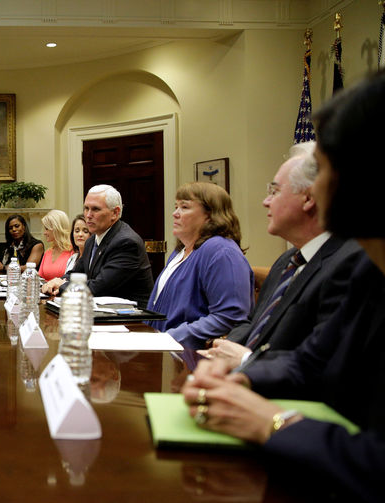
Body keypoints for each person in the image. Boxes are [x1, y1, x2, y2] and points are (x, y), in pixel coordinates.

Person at [182, 71, 385, 503]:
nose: (319, 184)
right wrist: (236, 377)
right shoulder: (372, 269)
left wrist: (272, 423)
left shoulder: (354, 262)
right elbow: (307, 363)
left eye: (327, 168)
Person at [199, 142, 364, 368]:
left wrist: (247, 361)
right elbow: (252, 322)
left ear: (308, 199)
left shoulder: (350, 264)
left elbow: (325, 363)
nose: (265, 201)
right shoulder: (287, 262)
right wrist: (223, 351)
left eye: (274, 191)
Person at [146, 182, 254, 350]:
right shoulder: (180, 251)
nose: (175, 213)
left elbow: (230, 316)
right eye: (176, 207)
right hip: (161, 348)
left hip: (191, 357)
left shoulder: (221, 251)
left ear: (210, 214)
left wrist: (169, 338)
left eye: (184, 207)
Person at [42, 184, 154, 306]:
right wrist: (57, 281)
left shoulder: (126, 242)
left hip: (130, 320)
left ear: (115, 213)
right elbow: (76, 273)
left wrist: (62, 285)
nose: (88, 215)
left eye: (95, 209)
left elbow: (99, 287)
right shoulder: (92, 240)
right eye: (86, 208)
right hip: (99, 313)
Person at [37, 210, 74, 281]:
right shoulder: (48, 252)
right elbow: (40, 278)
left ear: (57, 228)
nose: (44, 233)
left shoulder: (72, 252)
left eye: (47, 229)